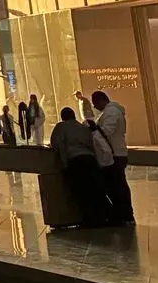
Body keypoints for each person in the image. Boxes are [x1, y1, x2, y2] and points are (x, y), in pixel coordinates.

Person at [80, 88, 133, 225]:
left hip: (115, 154)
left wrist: (93, 129)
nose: (95, 107)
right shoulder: (110, 112)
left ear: (102, 101)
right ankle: (122, 213)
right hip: (115, 153)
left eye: (95, 104)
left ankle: (125, 214)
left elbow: (107, 132)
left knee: (117, 185)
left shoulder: (111, 113)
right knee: (116, 184)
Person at [50, 105, 109, 226]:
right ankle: (102, 217)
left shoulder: (61, 127)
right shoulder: (83, 127)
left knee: (82, 191)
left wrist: (63, 162)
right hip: (90, 160)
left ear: (62, 117)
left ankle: (88, 219)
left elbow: (56, 144)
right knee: (95, 189)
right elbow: (92, 143)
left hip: (75, 161)